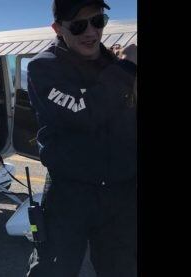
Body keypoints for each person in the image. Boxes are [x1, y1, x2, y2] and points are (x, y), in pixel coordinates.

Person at [25, 0, 137, 276]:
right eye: (78, 25)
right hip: (70, 192)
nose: (91, 32)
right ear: (58, 28)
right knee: (54, 268)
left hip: (120, 192)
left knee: (121, 268)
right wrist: (126, 71)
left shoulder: (113, 62)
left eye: (98, 21)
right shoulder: (44, 67)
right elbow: (83, 112)